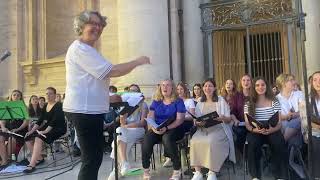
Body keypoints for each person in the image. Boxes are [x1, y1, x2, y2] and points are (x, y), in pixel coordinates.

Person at [63, 10, 150, 180]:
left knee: (94, 158)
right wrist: (137, 61)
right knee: (91, 159)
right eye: (92, 24)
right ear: (81, 26)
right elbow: (113, 71)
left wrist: (108, 98)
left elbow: (88, 82)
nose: (97, 27)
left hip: (89, 109)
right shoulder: (80, 48)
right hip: (83, 111)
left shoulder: (89, 49)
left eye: (100, 24)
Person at [190, 79, 235, 180]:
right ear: (203, 88)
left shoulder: (220, 100)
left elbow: (228, 119)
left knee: (211, 141)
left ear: (214, 88)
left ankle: (212, 172)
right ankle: (198, 172)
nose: (207, 88)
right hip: (203, 129)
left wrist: (222, 117)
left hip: (219, 129)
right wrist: (197, 122)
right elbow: (196, 119)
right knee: (194, 141)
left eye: (210, 86)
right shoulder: (200, 102)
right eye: (205, 86)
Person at [244, 77, 288, 180]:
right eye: (257, 85)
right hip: (256, 130)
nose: (260, 87)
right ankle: (255, 176)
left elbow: (279, 123)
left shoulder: (274, 101)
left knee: (279, 142)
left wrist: (271, 130)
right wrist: (255, 130)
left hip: (272, 129)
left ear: (266, 86)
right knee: (252, 143)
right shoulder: (248, 103)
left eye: (262, 85)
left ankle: (280, 176)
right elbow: (247, 124)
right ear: (254, 88)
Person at [142, 79, 186, 180]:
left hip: (174, 128)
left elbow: (180, 119)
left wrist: (167, 128)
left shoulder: (178, 101)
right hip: (158, 128)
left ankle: (177, 169)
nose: (165, 87)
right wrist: (154, 128)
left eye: (168, 85)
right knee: (147, 139)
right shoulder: (156, 101)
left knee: (167, 138)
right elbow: (151, 117)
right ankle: (146, 170)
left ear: (172, 88)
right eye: (163, 85)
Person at [107, 84, 148, 179]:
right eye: (131, 91)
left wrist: (126, 126)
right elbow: (122, 123)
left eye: (136, 91)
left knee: (118, 137)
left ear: (139, 93)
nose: (133, 93)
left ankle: (117, 168)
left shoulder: (143, 104)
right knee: (120, 134)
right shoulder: (125, 104)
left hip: (139, 130)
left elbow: (142, 123)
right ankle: (124, 165)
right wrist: (124, 116)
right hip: (126, 131)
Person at [23, 87, 67, 173]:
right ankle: (39, 158)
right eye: (47, 93)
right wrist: (31, 131)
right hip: (48, 127)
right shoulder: (45, 105)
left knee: (38, 138)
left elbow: (55, 121)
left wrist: (45, 131)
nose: (48, 95)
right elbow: (40, 121)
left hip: (58, 128)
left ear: (54, 95)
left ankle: (32, 164)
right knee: (27, 138)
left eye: (50, 93)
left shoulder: (59, 105)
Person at [162, 82, 195, 167]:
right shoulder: (173, 101)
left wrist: (181, 118)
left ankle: (171, 156)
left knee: (171, 129)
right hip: (174, 122)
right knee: (167, 131)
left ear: (185, 90)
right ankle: (170, 156)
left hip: (186, 122)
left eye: (181, 89)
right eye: (177, 89)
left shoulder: (189, 101)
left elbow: (192, 116)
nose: (179, 91)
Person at [0, 90, 29, 169]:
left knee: (12, 139)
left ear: (20, 97)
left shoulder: (24, 107)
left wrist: (17, 129)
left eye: (18, 95)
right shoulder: (6, 107)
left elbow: (26, 122)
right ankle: (4, 160)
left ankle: (10, 157)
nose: (16, 96)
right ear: (11, 97)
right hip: (8, 129)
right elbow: (2, 120)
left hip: (20, 129)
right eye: (14, 95)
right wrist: (3, 127)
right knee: (0, 138)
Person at [300, 71, 320, 179]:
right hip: (313, 131)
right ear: (311, 83)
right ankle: (317, 176)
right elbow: (305, 122)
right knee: (316, 144)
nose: (318, 82)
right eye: (315, 80)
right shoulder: (306, 100)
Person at [276, 74, 304, 145]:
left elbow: (304, 111)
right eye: (291, 80)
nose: (294, 82)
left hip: (298, 124)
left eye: (293, 80)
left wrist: (294, 115)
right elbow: (277, 116)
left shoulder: (299, 94)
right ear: (283, 83)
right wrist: (287, 116)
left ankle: (281, 144)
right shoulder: (276, 99)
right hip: (283, 124)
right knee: (293, 140)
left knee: (299, 120)